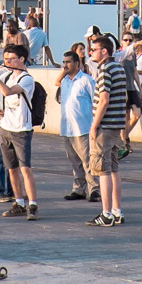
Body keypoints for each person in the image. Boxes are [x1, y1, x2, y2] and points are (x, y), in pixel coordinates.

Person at [0, 41, 39, 219]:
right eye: (6, 59)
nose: (8, 62)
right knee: (11, 168)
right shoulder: (5, 75)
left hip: (21, 129)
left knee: (25, 168)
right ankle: (19, 202)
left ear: (22, 59)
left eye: (12, 59)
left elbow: (6, 92)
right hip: (5, 127)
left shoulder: (26, 79)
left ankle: (33, 205)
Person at [87, 31, 127, 228]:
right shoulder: (119, 68)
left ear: (104, 51)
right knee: (113, 170)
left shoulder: (104, 71)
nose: (90, 53)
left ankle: (106, 214)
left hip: (104, 126)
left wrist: (94, 125)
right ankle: (116, 211)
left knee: (102, 171)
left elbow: (104, 99)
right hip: (116, 125)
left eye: (93, 50)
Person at [55, 48, 98, 202]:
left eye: (68, 62)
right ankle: (78, 189)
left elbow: (96, 101)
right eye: (63, 62)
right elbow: (56, 82)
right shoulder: (65, 81)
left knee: (88, 161)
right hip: (67, 128)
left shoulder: (86, 80)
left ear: (77, 63)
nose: (65, 65)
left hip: (83, 127)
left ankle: (94, 189)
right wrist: (64, 71)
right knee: (74, 162)